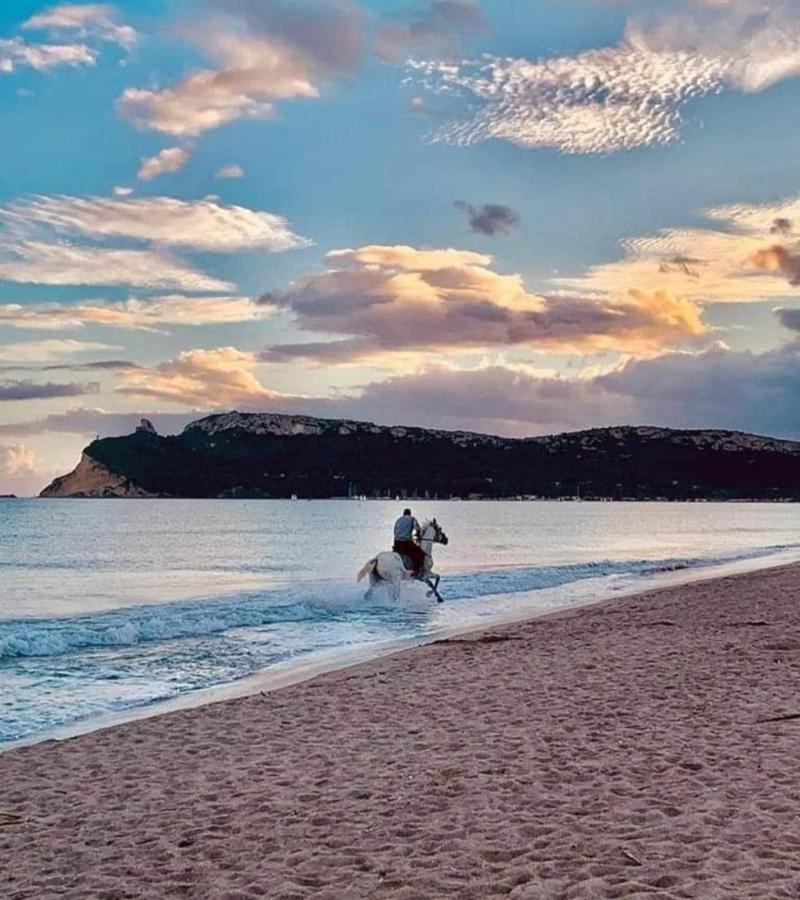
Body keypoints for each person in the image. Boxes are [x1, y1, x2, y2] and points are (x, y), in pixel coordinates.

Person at [393, 508, 425, 576]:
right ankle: (416, 571)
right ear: (410, 514)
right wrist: (419, 535)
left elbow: (395, 531)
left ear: (403, 514)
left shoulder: (398, 520)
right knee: (419, 553)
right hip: (405, 543)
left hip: (396, 543)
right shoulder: (412, 519)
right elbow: (417, 529)